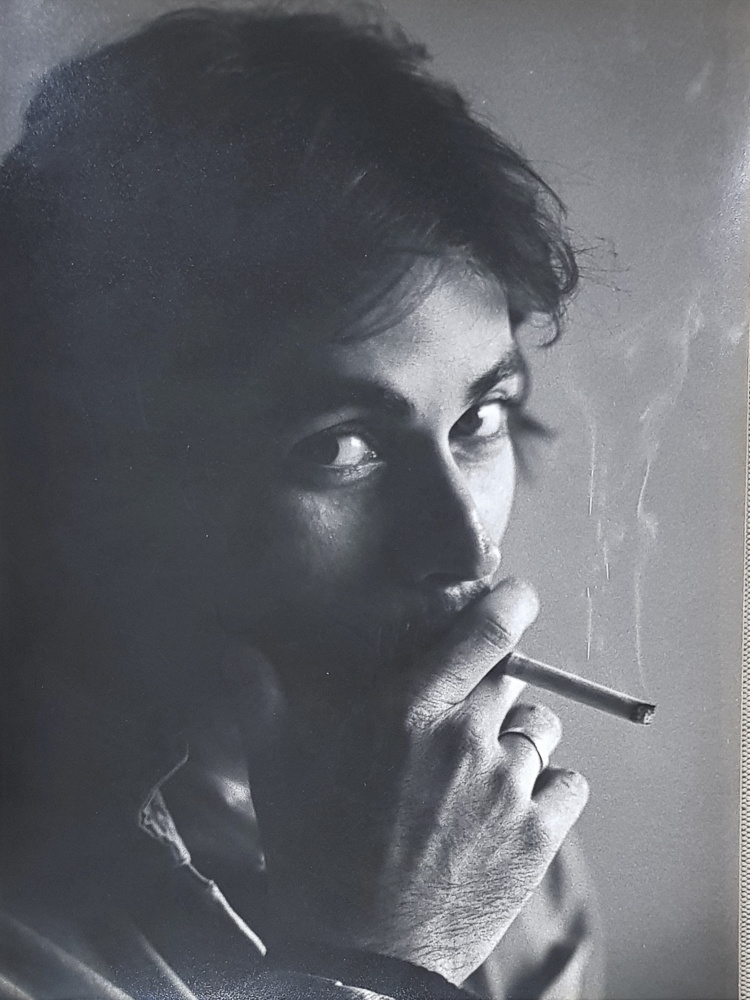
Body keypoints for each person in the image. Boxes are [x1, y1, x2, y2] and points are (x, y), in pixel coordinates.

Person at [0, 6, 604, 998]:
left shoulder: (493, 832)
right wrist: (381, 958)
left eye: (479, 419)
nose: (463, 549)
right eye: (338, 446)